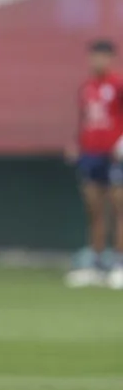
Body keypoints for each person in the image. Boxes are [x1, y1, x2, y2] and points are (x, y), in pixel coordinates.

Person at [65, 39, 123, 289]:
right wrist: (78, 144)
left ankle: (119, 263)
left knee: (119, 208)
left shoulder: (118, 84)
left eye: (101, 56)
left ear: (110, 58)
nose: (96, 61)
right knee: (95, 210)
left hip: (115, 155)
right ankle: (96, 263)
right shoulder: (87, 87)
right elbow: (85, 119)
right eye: (93, 56)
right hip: (91, 155)